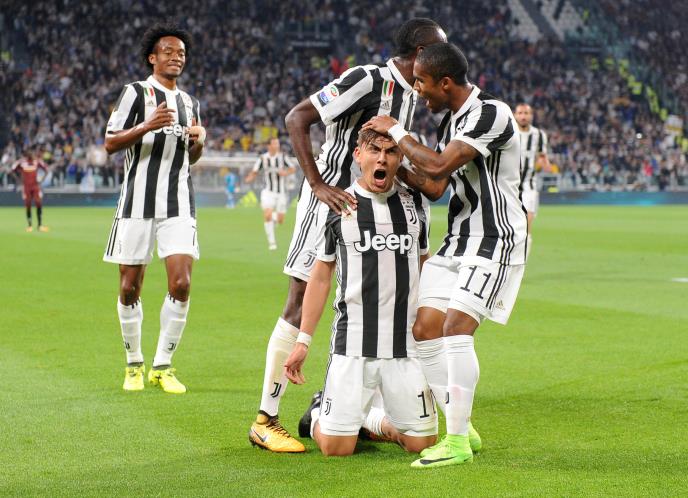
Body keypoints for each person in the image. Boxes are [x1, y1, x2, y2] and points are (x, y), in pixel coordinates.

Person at [248, 18, 447, 453]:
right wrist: (318, 185)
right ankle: (266, 419)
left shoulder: (412, 94)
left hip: (377, 206)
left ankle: (359, 413)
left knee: (376, 300)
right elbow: (297, 117)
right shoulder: (366, 79)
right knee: (300, 299)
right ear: (419, 53)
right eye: (438, 51)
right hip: (335, 203)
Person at [363, 42, 527, 468]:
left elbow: (437, 166)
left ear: (446, 82)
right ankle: (463, 427)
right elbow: (436, 186)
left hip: (495, 239)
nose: (418, 91)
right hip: (458, 240)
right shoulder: (449, 122)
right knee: (425, 328)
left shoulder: (491, 113)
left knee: (456, 328)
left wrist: (397, 132)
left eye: (422, 82)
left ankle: (454, 440)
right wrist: (393, 166)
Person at [282, 129, 437, 456]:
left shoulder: (414, 205)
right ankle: (318, 412)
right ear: (359, 155)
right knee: (336, 449)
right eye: (374, 150)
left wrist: (434, 332)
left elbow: (425, 265)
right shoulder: (339, 205)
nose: (382, 158)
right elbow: (321, 276)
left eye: (391, 152)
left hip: (404, 345)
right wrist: (303, 341)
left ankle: (370, 421)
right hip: (353, 344)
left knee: (421, 444)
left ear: (400, 159)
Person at [102, 22, 206, 394]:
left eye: (181, 53)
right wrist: (147, 125)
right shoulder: (135, 93)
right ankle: (134, 363)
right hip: (136, 203)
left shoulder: (190, 103)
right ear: (152, 57)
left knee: (182, 283)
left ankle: (163, 365)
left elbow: (191, 157)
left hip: (179, 203)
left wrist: (198, 143)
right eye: (168, 51)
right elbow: (110, 143)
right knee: (130, 287)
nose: (176, 57)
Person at [244, 137, 296, 250]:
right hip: (268, 192)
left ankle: (274, 219)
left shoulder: (283, 157)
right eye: (275, 143)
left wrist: (285, 172)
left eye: (277, 143)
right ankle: (272, 243)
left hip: (282, 192)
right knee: (267, 215)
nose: (277, 145)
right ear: (269, 146)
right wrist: (249, 178)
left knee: (280, 220)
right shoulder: (263, 158)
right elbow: (255, 171)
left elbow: (293, 169)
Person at [514, 103, 549, 258]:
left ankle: (521, 261)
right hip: (508, 185)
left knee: (527, 223)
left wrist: (544, 164)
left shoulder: (539, 135)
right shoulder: (509, 132)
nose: (523, 116)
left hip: (529, 184)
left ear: (531, 116)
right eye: (520, 113)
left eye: (526, 113)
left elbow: (542, 157)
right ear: (515, 115)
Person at [12, 149, 49, 232]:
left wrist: (42, 180)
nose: (31, 154)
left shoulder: (37, 161)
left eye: (32, 153)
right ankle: (29, 225)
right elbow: (12, 169)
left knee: (38, 203)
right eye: (30, 153)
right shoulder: (21, 162)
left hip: (35, 186)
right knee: (28, 205)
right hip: (26, 187)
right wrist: (18, 180)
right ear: (26, 154)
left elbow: (46, 169)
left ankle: (40, 225)